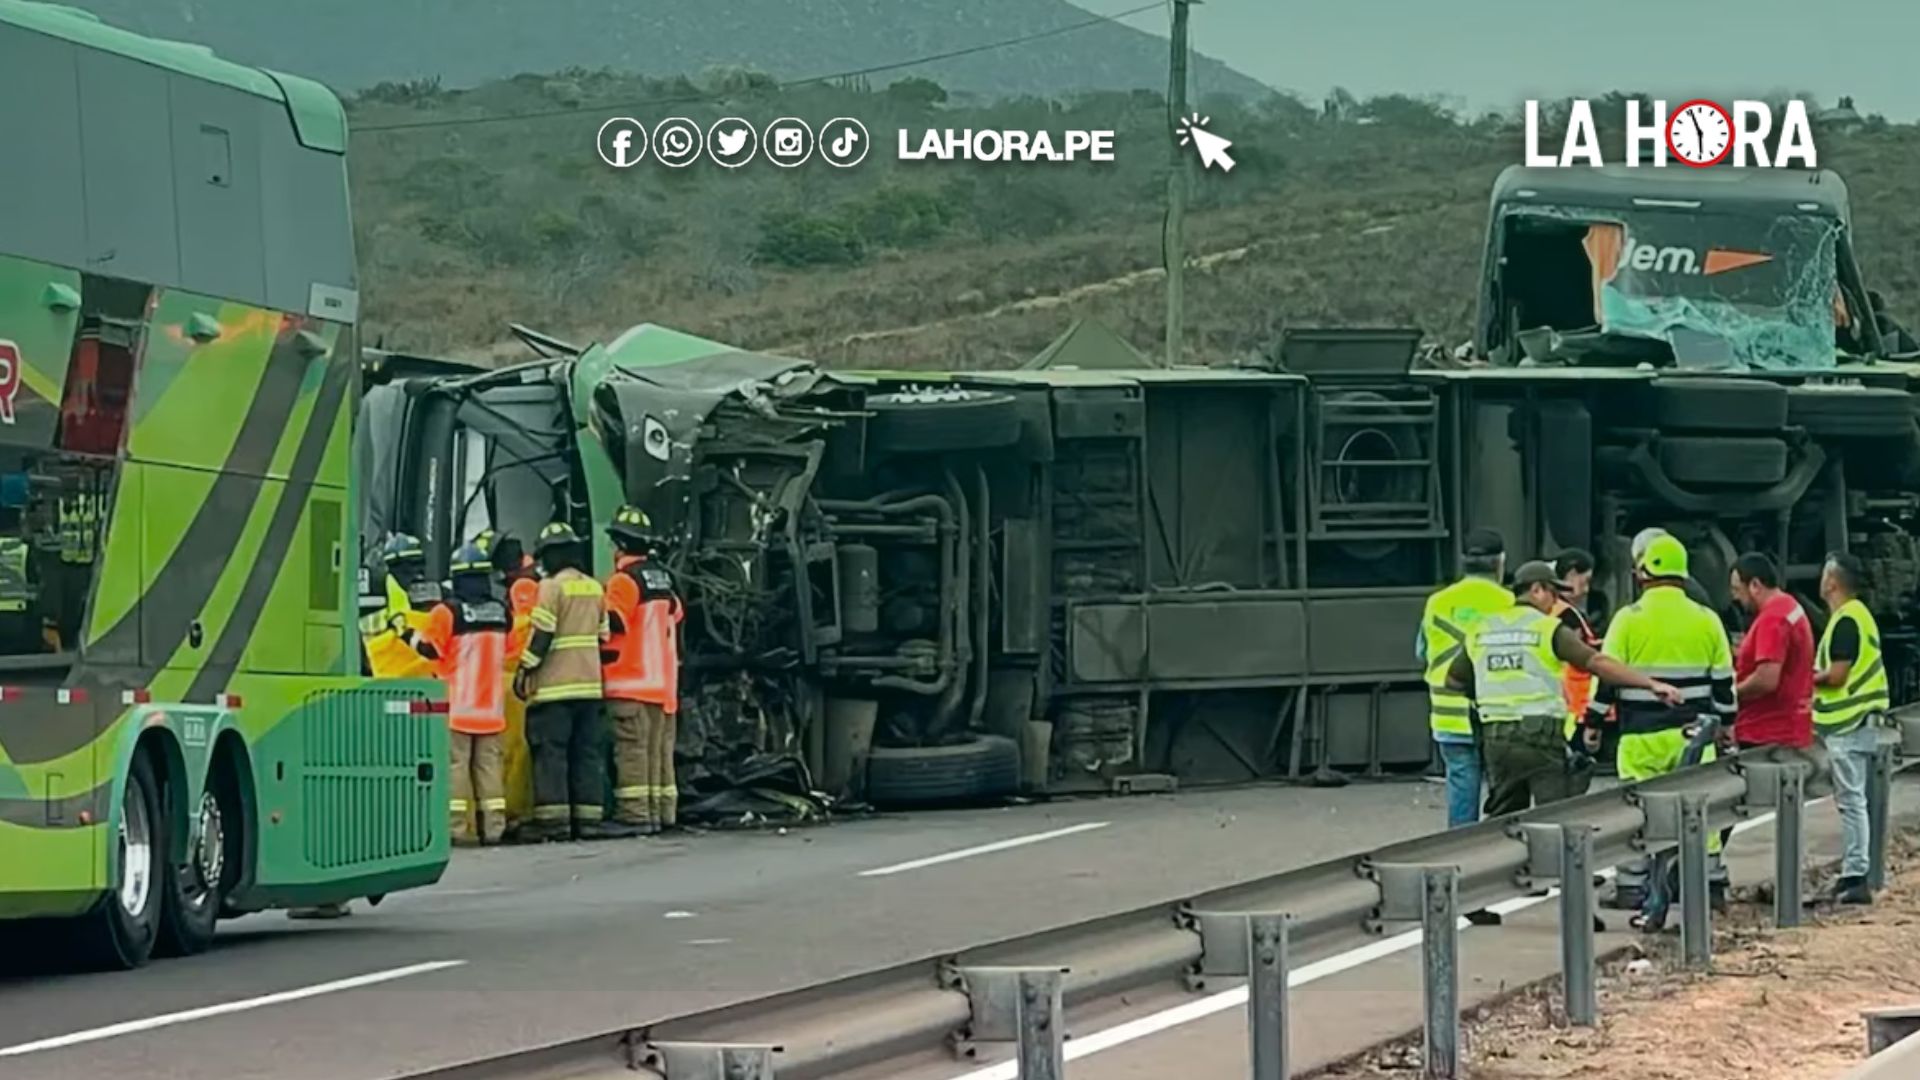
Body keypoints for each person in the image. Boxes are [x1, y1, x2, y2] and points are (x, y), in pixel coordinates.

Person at [1447, 560, 1682, 817]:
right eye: (1553, 593)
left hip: (1496, 738)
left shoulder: (1483, 629)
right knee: (1556, 818)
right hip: (1540, 737)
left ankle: (1504, 857)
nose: (1555, 602)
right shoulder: (1546, 628)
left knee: (1504, 819)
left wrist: (1487, 690)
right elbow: (1596, 662)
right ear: (1537, 590)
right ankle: (1549, 858)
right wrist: (1650, 684)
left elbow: (1454, 680)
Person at [1588, 534, 1738, 930]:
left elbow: (1605, 675)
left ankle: (1634, 888)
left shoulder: (1629, 618)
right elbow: (1724, 683)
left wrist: (1592, 722)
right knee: (1698, 812)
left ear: (1643, 573)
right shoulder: (1707, 620)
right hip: (1694, 735)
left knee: (1639, 812)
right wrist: (1726, 727)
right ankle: (1705, 883)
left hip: (1640, 738)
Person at [515, 521, 640, 842]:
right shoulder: (595, 587)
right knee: (587, 754)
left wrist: (524, 669)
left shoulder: (551, 588)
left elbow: (542, 634)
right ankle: (588, 820)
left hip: (555, 690)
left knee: (551, 754)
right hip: (590, 687)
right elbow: (602, 635)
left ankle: (553, 822)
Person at [401, 543, 516, 846]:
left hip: (458, 708)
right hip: (491, 710)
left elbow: (429, 649)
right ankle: (493, 828)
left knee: (456, 769)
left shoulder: (447, 612)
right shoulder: (502, 612)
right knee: (489, 771)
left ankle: (457, 829)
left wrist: (405, 635)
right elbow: (510, 651)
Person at [1418, 528, 1513, 828]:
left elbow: (1421, 651)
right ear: (1500, 562)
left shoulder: (1437, 602)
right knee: (1505, 786)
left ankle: (1460, 853)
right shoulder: (1509, 602)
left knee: (1461, 781)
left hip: (1449, 715)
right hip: (1496, 713)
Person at [1812, 552, 1889, 905]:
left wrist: (1808, 679)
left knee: (1852, 800)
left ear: (1833, 582)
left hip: (1848, 722)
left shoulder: (1846, 621)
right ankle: (1856, 872)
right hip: (1860, 721)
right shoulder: (1858, 616)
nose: (1821, 580)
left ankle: (1856, 876)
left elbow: (1838, 676)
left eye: (1825, 574)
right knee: (1854, 799)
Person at [602, 506, 685, 833]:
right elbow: (676, 616)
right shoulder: (664, 579)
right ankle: (662, 813)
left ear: (621, 545)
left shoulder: (623, 581)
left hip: (630, 683)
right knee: (658, 754)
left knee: (633, 752)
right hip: (662, 685)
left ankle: (635, 815)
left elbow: (613, 623)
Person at [1728, 552, 1815, 752]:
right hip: (1789, 728)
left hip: (1766, 733)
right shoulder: (1789, 606)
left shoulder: (1772, 619)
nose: (1735, 597)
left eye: (1737, 589)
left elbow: (1766, 680)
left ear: (1755, 585)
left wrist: (1730, 694)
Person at [360, 533, 437, 680]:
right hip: (400, 674)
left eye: (419, 565)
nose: (417, 574)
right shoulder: (391, 589)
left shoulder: (382, 587)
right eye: (412, 566)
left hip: (387, 674)